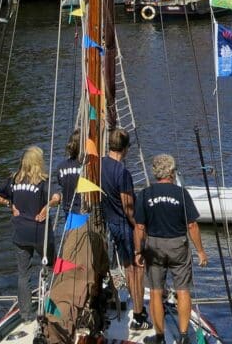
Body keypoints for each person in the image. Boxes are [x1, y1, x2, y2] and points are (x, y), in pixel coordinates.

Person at [137, 154, 208, 344]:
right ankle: (184, 336)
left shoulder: (145, 194)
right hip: (178, 245)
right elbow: (192, 224)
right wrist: (200, 251)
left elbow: (140, 227)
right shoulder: (181, 193)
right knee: (183, 289)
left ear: (155, 173)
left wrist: (138, 251)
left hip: (154, 246)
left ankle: (159, 336)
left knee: (155, 291)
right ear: (171, 172)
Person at [0, 147, 59, 324]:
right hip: (39, 232)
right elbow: (57, 197)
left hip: (20, 233)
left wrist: (9, 204)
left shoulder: (14, 180)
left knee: (23, 274)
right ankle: (52, 308)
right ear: (38, 162)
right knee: (51, 268)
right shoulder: (43, 181)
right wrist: (47, 206)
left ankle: (26, 315)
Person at [100, 129, 148, 330]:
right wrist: (139, 226)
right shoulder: (122, 172)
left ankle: (134, 307)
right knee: (137, 269)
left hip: (110, 222)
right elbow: (128, 207)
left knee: (129, 267)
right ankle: (138, 315)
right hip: (124, 224)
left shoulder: (99, 164)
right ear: (126, 148)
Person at [55, 130, 82, 217]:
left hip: (68, 211)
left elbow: (61, 183)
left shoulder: (61, 167)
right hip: (83, 210)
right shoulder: (86, 166)